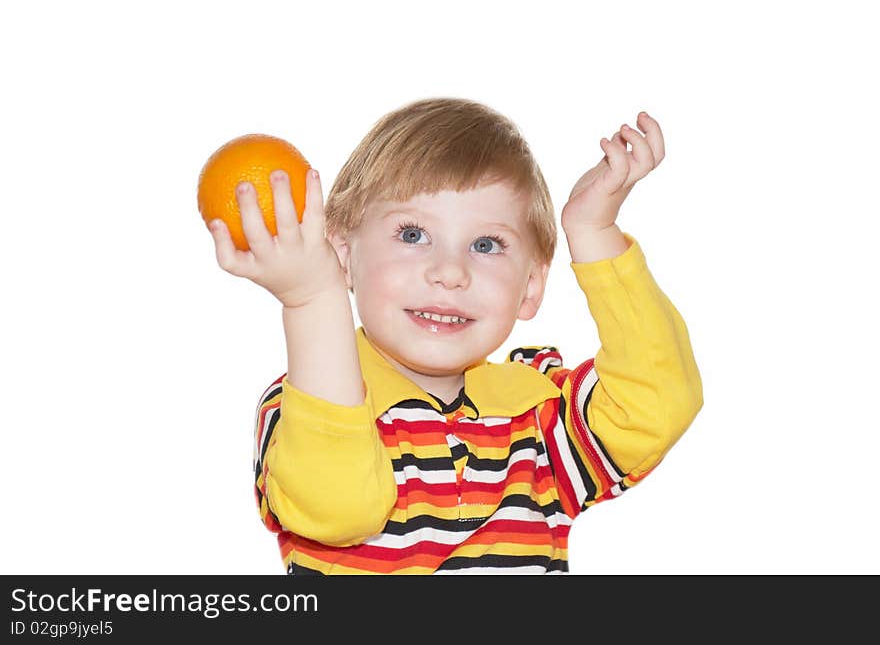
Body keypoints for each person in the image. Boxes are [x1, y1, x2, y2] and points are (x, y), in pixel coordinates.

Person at [207, 97, 703, 574]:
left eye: (486, 244)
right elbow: (339, 508)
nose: (449, 271)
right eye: (412, 234)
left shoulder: (539, 414)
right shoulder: (311, 401)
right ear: (341, 254)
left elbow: (657, 403)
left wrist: (594, 231)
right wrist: (314, 300)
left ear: (530, 287)